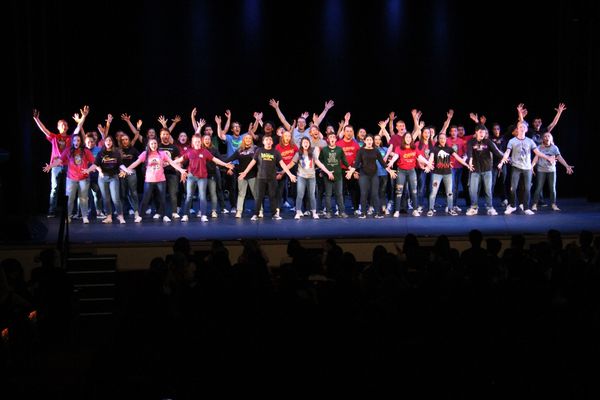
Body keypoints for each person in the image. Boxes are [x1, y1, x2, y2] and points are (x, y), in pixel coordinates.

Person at [498, 109, 557, 215]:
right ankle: (512, 206)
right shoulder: (512, 141)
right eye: (520, 127)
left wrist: (548, 158)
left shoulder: (530, 141)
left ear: (526, 129)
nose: (521, 128)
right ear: (517, 128)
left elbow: (538, 152)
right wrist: (502, 162)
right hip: (516, 167)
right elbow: (507, 152)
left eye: (523, 127)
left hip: (527, 168)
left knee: (527, 188)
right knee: (513, 187)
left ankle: (526, 207)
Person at [33, 106, 87, 217]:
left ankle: (70, 212)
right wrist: (36, 119)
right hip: (56, 166)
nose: (64, 125)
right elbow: (44, 130)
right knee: (54, 188)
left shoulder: (70, 138)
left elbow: (78, 127)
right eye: (62, 124)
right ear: (58, 127)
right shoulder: (54, 137)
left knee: (69, 190)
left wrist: (84, 116)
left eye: (66, 124)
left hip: (68, 166)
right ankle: (52, 211)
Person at [125, 138, 187, 222]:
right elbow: (136, 163)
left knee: (162, 199)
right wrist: (126, 169)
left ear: (157, 144)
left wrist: (181, 170)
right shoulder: (145, 154)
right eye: (152, 144)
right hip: (149, 180)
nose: (153, 145)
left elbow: (172, 162)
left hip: (161, 180)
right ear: (149, 145)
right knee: (145, 199)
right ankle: (140, 216)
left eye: (155, 143)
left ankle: (164, 215)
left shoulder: (162, 153)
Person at [174, 135, 234, 222]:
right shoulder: (189, 152)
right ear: (192, 143)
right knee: (189, 196)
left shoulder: (205, 151)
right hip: (191, 177)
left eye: (198, 141)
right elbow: (179, 160)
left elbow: (215, 159)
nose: (197, 143)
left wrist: (225, 164)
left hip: (202, 178)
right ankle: (185, 215)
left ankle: (203, 215)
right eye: (195, 142)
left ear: (200, 142)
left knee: (202, 196)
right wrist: (169, 162)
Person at [238, 135, 297, 220]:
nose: (268, 141)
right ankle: (256, 214)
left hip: (272, 178)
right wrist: (245, 172)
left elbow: (282, 164)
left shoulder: (276, 152)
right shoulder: (259, 151)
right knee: (259, 197)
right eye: (266, 139)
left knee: (273, 196)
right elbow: (253, 162)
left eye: (270, 139)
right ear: (263, 142)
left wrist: (290, 174)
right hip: (261, 178)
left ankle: (274, 214)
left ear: (272, 142)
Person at [42, 134, 95, 224]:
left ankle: (85, 216)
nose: (76, 142)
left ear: (81, 142)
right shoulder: (68, 150)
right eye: (74, 140)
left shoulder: (85, 151)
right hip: (71, 178)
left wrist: (88, 170)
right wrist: (50, 166)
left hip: (83, 178)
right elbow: (59, 160)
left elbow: (95, 163)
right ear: (72, 142)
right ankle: (68, 216)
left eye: (78, 140)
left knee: (83, 198)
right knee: (70, 198)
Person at [426, 133, 473, 216]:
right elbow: (431, 158)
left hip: (448, 174)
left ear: (446, 139)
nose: (442, 140)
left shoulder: (449, 149)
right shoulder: (434, 149)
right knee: (433, 192)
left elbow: (458, 158)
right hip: (437, 174)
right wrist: (428, 165)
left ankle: (450, 209)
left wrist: (466, 165)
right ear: (438, 139)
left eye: (444, 138)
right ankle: (431, 209)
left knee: (450, 193)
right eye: (440, 138)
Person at [287, 137, 334, 220]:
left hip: (311, 177)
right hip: (301, 176)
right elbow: (291, 163)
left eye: (307, 142)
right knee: (300, 194)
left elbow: (319, 164)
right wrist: (284, 172)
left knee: (312, 195)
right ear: (301, 144)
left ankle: (314, 212)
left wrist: (328, 172)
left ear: (309, 144)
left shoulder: (312, 154)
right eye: (304, 142)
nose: (306, 144)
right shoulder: (298, 153)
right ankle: (298, 212)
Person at [351, 135, 397, 219]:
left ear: (372, 141)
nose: (369, 141)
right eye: (367, 140)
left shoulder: (376, 150)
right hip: (364, 174)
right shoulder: (361, 150)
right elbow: (356, 163)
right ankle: (363, 213)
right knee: (364, 193)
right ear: (365, 141)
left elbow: (383, 163)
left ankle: (377, 213)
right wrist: (351, 171)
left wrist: (390, 171)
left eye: (370, 140)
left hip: (374, 175)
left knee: (375, 194)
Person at [388, 132, 432, 217]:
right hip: (401, 171)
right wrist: (392, 162)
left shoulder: (414, 148)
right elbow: (396, 156)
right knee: (399, 191)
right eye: (406, 137)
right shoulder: (399, 148)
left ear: (411, 139)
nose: (408, 139)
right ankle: (397, 211)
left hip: (412, 171)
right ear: (404, 139)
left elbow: (420, 157)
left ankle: (415, 210)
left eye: (409, 137)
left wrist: (428, 163)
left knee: (414, 191)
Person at [464, 125, 505, 216]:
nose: (482, 134)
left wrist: (505, 158)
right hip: (475, 170)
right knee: (473, 190)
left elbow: (496, 151)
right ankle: (474, 207)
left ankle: (490, 207)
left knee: (488, 190)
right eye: (480, 132)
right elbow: (469, 152)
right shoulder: (471, 142)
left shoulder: (488, 142)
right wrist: (470, 160)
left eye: (484, 132)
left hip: (487, 170)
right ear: (476, 132)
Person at [87, 136, 129, 224]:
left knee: (115, 197)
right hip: (103, 178)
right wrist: (88, 170)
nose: (108, 142)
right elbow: (95, 164)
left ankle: (120, 216)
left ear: (112, 142)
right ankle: (109, 216)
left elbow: (120, 164)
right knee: (106, 198)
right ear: (104, 142)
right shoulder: (101, 153)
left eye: (110, 140)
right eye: (107, 140)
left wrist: (126, 170)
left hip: (113, 177)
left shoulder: (116, 153)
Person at [531, 132, 574, 211]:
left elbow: (560, 157)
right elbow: (536, 158)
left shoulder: (554, 148)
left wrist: (567, 166)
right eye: (545, 136)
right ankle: (534, 204)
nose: (546, 137)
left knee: (552, 188)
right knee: (539, 187)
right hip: (541, 170)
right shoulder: (539, 147)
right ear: (543, 138)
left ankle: (553, 204)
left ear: (551, 138)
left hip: (552, 170)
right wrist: (531, 166)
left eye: (548, 136)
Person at [319, 132, 354, 218]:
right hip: (327, 176)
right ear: (327, 139)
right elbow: (320, 161)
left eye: (333, 137)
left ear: (335, 139)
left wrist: (350, 168)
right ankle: (328, 212)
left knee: (339, 194)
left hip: (338, 175)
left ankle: (341, 211)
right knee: (328, 194)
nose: (332, 138)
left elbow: (344, 160)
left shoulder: (339, 149)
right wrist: (322, 171)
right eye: (330, 137)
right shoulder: (324, 150)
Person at [225, 134, 259, 218]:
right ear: (243, 140)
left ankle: (260, 210)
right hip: (241, 175)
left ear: (251, 140)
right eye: (246, 138)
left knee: (256, 194)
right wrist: (221, 163)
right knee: (241, 194)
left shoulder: (256, 149)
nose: (248, 140)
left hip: (253, 175)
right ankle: (239, 211)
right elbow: (229, 159)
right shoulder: (239, 150)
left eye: (249, 138)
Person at [118, 134, 141, 220]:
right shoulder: (118, 150)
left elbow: (139, 160)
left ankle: (136, 213)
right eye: (123, 139)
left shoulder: (133, 150)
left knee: (133, 193)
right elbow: (116, 162)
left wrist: (127, 170)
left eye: (126, 139)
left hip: (131, 172)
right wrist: (122, 170)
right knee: (122, 194)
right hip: (121, 173)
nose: (125, 141)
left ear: (129, 140)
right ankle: (121, 214)